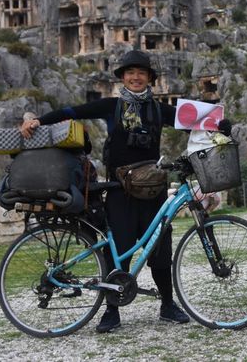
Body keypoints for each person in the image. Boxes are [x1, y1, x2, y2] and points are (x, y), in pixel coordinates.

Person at [20, 50, 231, 333]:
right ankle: (111, 311)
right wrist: (38, 120)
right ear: (122, 77)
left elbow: (197, 117)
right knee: (117, 252)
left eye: (141, 73)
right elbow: (73, 112)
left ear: (150, 79)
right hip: (119, 192)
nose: (135, 77)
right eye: (130, 73)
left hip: (153, 192)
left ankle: (167, 305)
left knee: (160, 250)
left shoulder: (159, 110)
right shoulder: (112, 107)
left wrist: (220, 125)